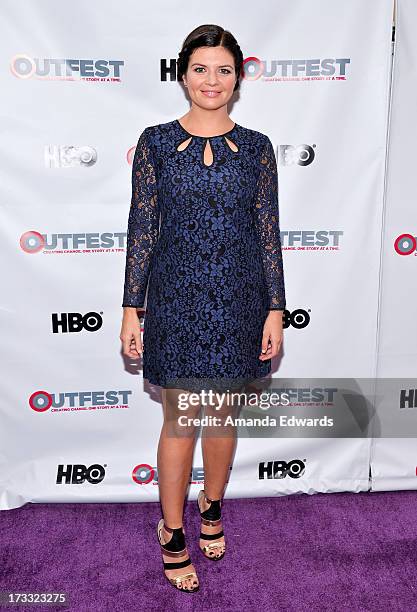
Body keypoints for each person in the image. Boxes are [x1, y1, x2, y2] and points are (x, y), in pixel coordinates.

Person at [120, 23, 286, 593]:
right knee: (179, 421)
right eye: (199, 68)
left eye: (223, 69)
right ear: (182, 74)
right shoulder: (156, 142)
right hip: (177, 302)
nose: (211, 80)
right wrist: (130, 308)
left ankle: (211, 509)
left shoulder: (259, 147)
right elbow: (142, 230)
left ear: (238, 77)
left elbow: (269, 235)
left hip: (241, 302)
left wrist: (276, 309)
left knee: (221, 419)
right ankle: (172, 532)